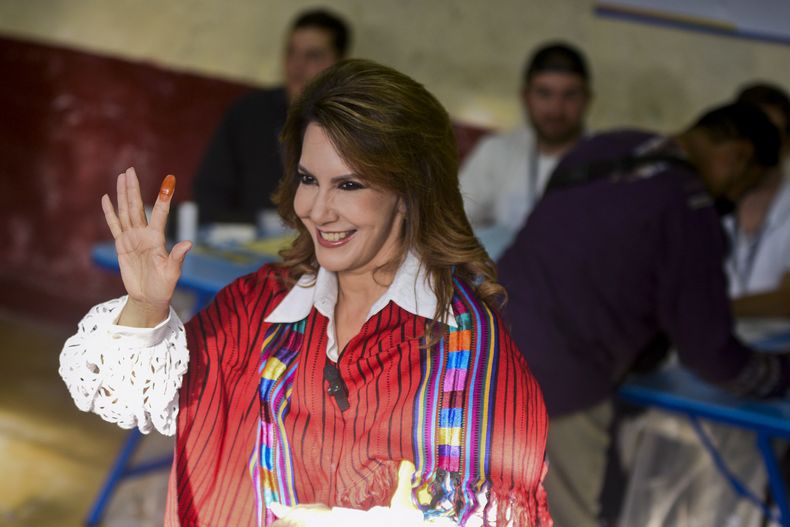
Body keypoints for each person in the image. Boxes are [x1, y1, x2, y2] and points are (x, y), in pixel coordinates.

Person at [60, 60, 552, 526]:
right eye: (308, 179)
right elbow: (141, 400)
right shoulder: (262, 303)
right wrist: (146, 308)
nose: (318, 209)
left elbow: (488, 513)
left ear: (409, 192)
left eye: (350, 185)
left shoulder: (466, 351)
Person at [497, 102, 790, 527]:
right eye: (746, 186)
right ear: (739, 158)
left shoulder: (607, 147)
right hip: (557, 391)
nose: (735, 199)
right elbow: (714, 357)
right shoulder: (690, 205)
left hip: (478, 353)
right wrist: (780, 372)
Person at [193, 8, 351, 226]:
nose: (297, 66)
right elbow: (210, 192)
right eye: (291, 52)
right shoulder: (248, 112)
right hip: (246, 241)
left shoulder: (354, 123)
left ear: (340, 62)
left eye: (313, 55)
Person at [459, 42, 591, 257]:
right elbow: (457, 221)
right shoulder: (497, 151)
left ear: (587, 99)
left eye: (570, 95)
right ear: (525, 97)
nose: (556, 109)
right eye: (544, 94)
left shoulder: (606, 161)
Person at [725, 83, 790, 318]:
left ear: (788, 144)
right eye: (747, 134)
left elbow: (787, 301)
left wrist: (712, 310)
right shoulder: (707, 206)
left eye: (770, 136)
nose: (755, 149)